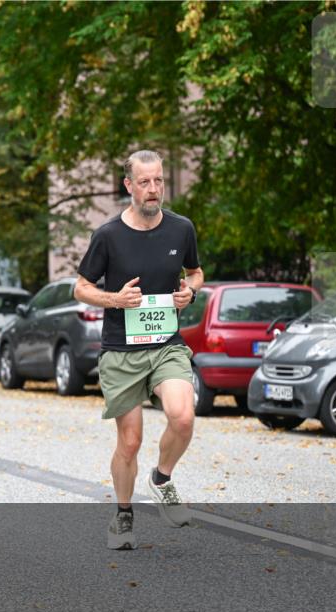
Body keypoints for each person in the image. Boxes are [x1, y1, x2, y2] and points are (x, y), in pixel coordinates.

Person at [73, 149, 203, 551]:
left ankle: (162, 479)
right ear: (129, 186)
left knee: (182, 417)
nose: (153, 189)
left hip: (166, 345)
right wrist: (115, 300)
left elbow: (195, 272)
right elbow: (80, 287)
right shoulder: (108, 235)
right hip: (121, 350)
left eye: (159, 180)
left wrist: (189, 291)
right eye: (144, 182)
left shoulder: (181, 229)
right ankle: (123, 515)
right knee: (129, 441)